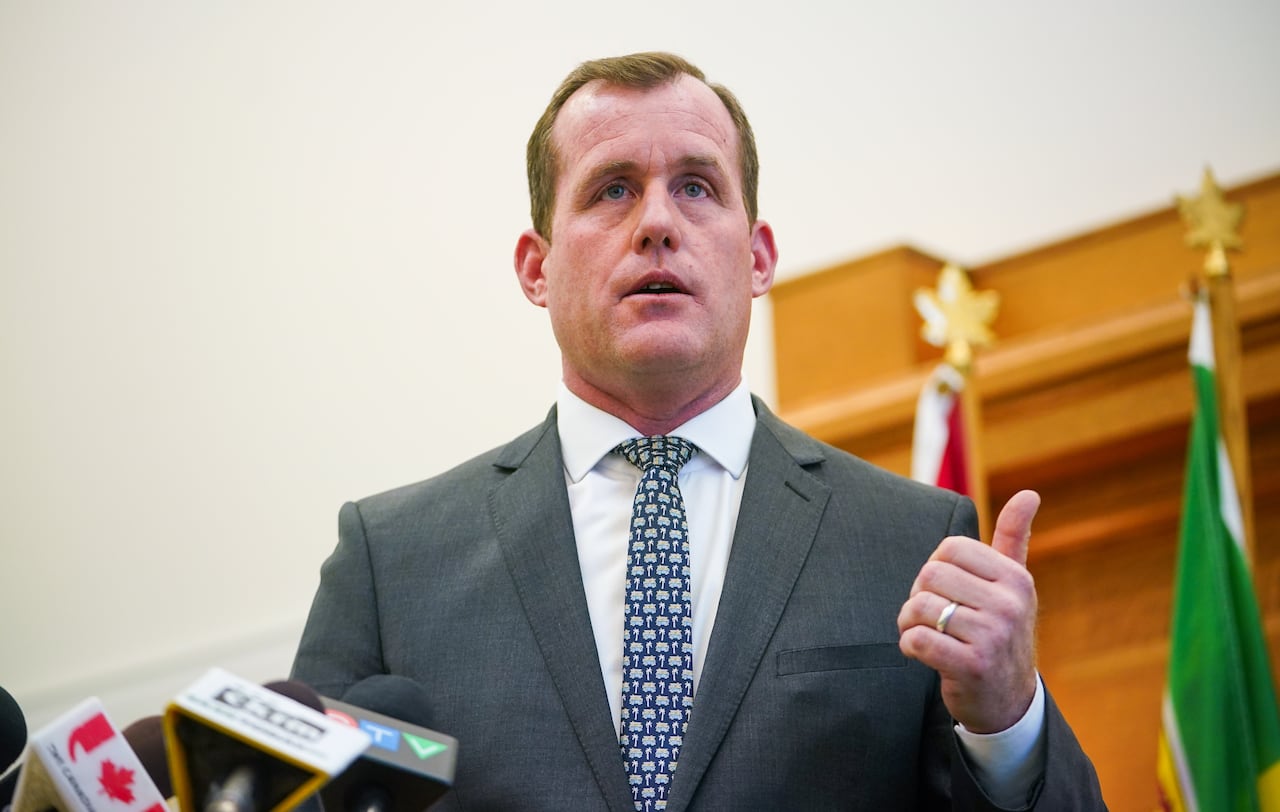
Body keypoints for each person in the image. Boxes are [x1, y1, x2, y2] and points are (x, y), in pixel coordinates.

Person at [292, 52, 1106, 811]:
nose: (655, 222)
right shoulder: (391, 564)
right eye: (611, 189)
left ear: (757, 259)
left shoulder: (909, 542)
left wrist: (1006, 721)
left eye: (696, 187)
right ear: (536, 269)